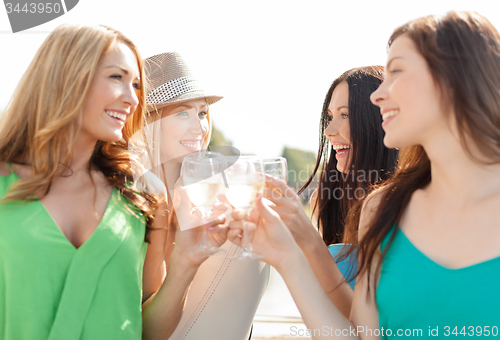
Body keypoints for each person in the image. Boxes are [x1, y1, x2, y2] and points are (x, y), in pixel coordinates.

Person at [228, 11, 500, 339]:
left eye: (397, 72)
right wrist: (286, 256)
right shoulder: (382, 209)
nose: (377, 95)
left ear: (455, 80)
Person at [0, 24, 221, 340]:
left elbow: (149, 331)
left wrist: (185, 263)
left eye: (136, 85)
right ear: (65, 77)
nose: (132, 99)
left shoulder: (142, 198)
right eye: (117, 77)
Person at [142, 52, 269, 340]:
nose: (199, 127)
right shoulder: (142, 188)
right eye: (182, 113)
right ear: (149, 121)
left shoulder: (202, 188)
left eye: (202, 113)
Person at [262, 67, 398, 317]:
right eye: (330, 116)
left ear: (378, 121)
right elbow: (324, 310)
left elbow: (366, 323)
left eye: (345, 115)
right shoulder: (325, 201)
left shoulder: (398, 206)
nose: (329, 130)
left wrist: (307, 241)